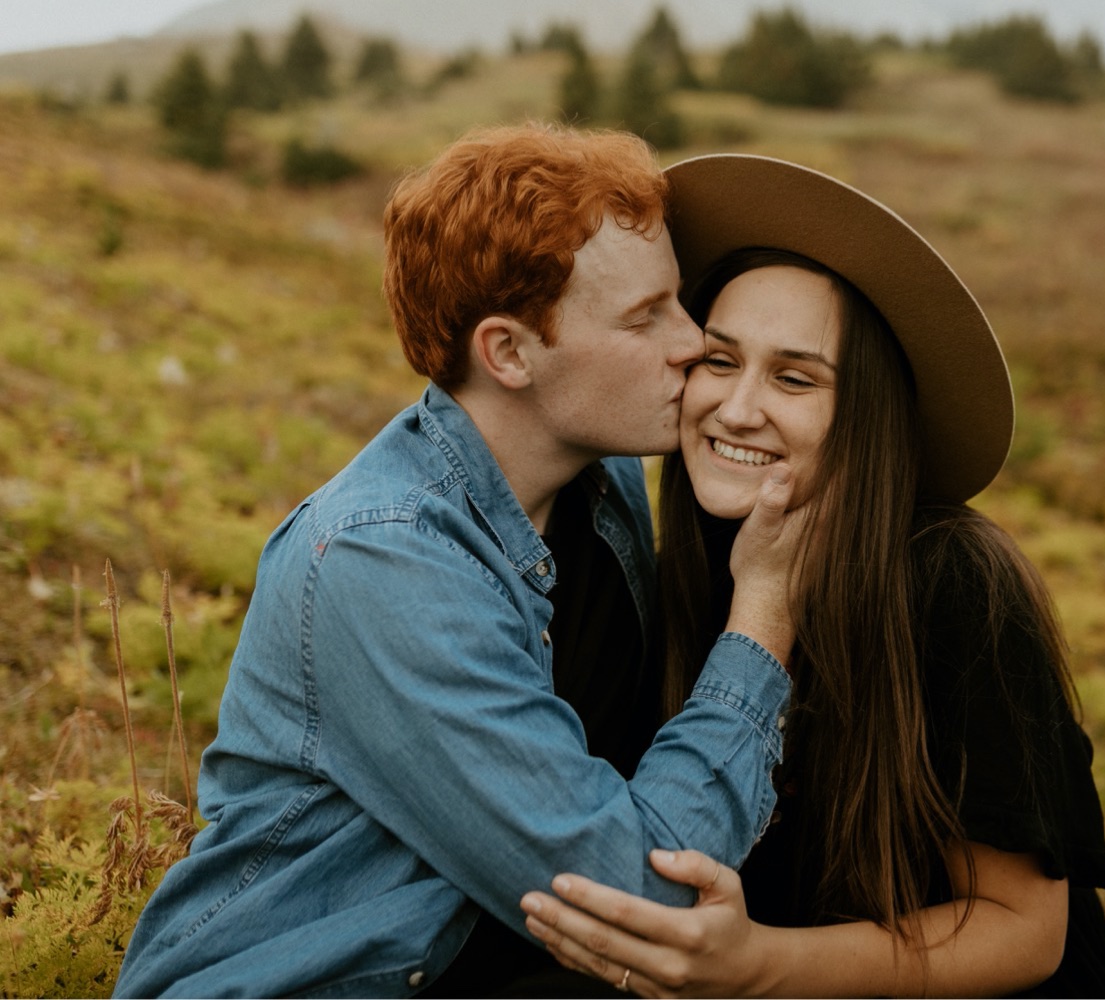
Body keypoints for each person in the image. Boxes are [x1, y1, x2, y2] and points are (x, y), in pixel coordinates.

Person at [113, 127, 807, 999]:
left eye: (680, 302)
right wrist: (766, 613)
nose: (692, 340)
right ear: (508, 353)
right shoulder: (382, 559)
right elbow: (641, 899)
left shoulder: (607, 484)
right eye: (646, 316)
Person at [518, 155, 1105, 997]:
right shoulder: (688, 563)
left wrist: (760, 965)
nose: (736, 409)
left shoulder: (950, 581)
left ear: (865, 415)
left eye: (795, 378)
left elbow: (1024, 931)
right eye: (720, 361)